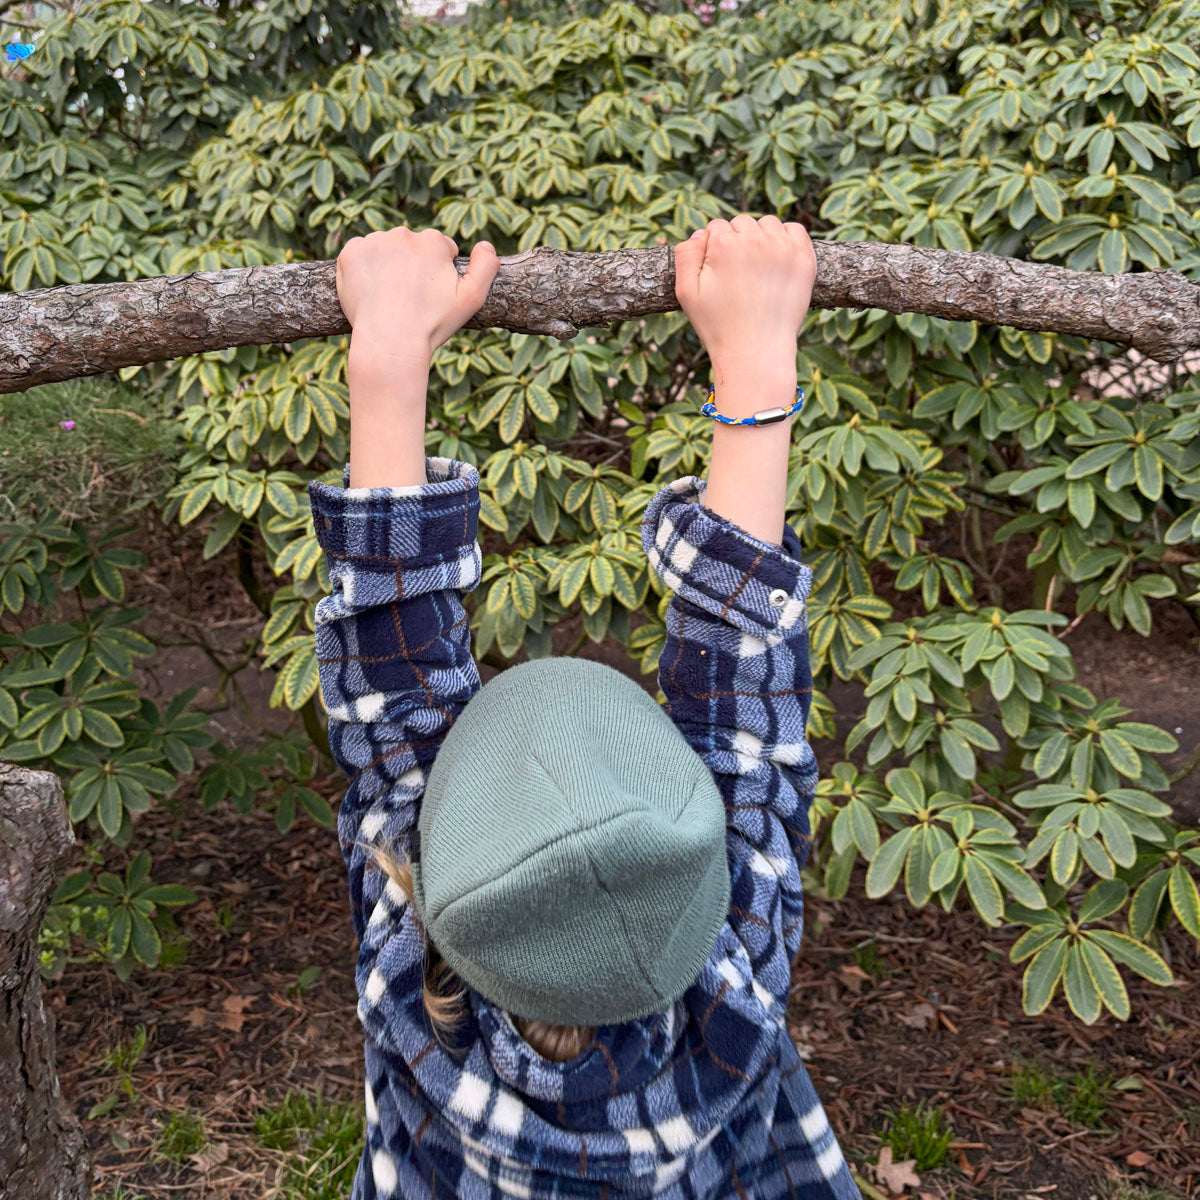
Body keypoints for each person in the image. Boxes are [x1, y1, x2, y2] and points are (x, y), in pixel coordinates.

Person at [309, 214, 860, 1199]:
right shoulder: (738, 984)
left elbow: (390, 682)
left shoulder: (408, 986)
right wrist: (759, 362)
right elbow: (744, 710)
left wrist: (387, 357)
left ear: (432, 886)